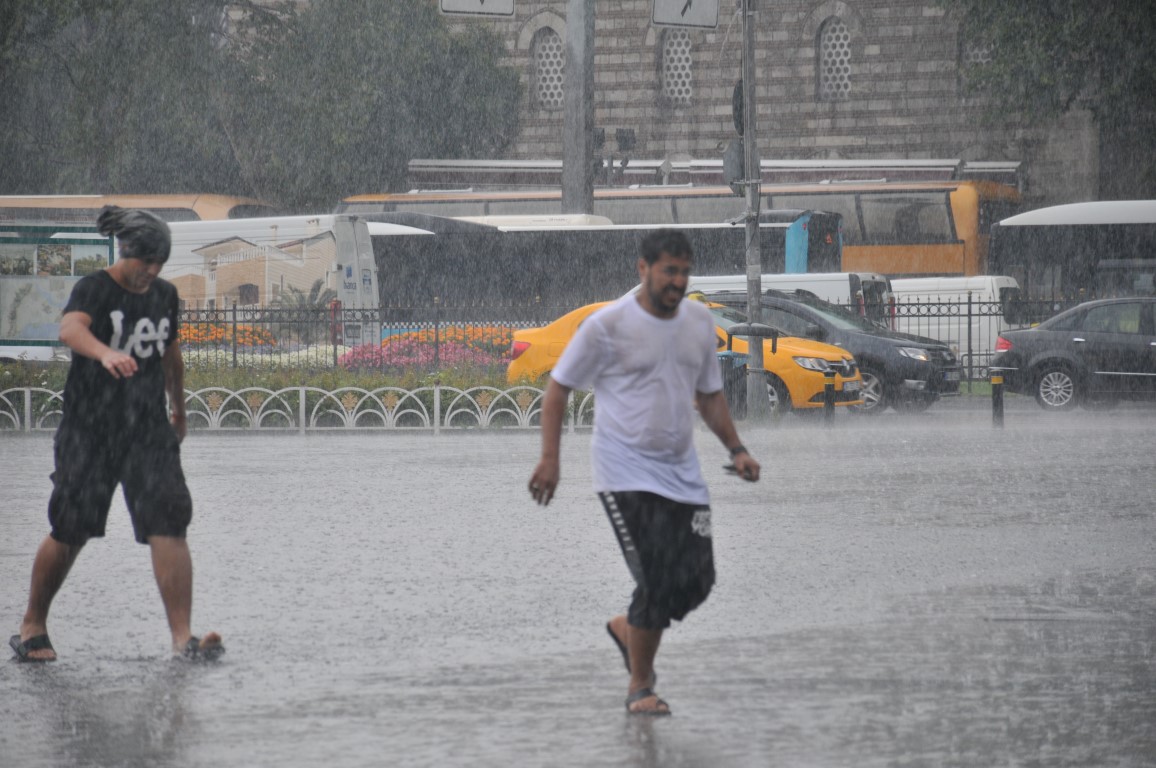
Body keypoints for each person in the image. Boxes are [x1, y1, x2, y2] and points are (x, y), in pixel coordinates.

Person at [528, 229, 760, 715]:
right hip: (624, 473)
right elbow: (557, 390)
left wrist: (736, 449)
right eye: (668, 270)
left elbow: (710, 396)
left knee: (697, 581)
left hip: (683, 475)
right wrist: (551, 460)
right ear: (643, 269)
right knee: (656, 578)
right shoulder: (607, 326)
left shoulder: (698, 322)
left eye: (683, 271)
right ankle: (640, 687)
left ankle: (628, 629)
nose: (677, 281)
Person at [9, 206, 223, 663]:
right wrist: (105, 353)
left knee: (169, 521)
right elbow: (70, 328)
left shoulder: (164, 294)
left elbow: (171, 355)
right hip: (90, 429)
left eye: (159, 263)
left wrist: (179, 409)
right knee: (71, 528)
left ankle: (183, 638)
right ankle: (32, 626)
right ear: (125, 251)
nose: (152, 271)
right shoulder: (95, 288)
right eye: (145, 261)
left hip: (147, 429)